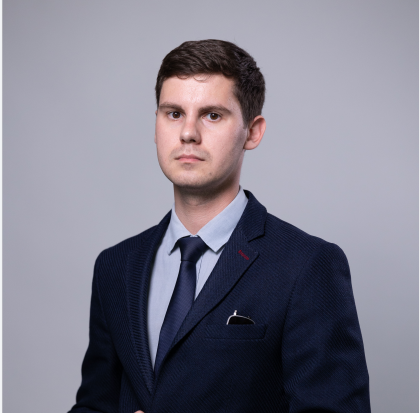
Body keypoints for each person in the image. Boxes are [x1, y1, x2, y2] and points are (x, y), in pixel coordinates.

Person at [69, 39, 370, 413]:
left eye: (212, 115)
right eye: (173, 113)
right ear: (156, 124)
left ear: (252, 132)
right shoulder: (115, 266)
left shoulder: (307, 266)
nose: (188, 133)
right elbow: (95, 404)